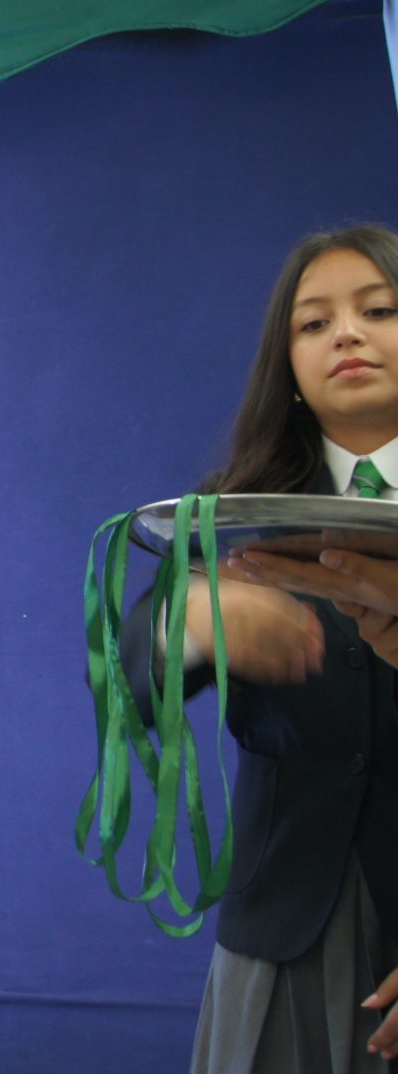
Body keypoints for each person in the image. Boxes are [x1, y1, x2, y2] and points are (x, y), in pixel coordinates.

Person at [119, 225, 398, 1070]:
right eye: (314, 323)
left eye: (379, 310)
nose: (346, 335)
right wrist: (191, 623)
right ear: (290, 369)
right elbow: (131, 674)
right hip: (285, 923)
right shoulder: (234, 511)